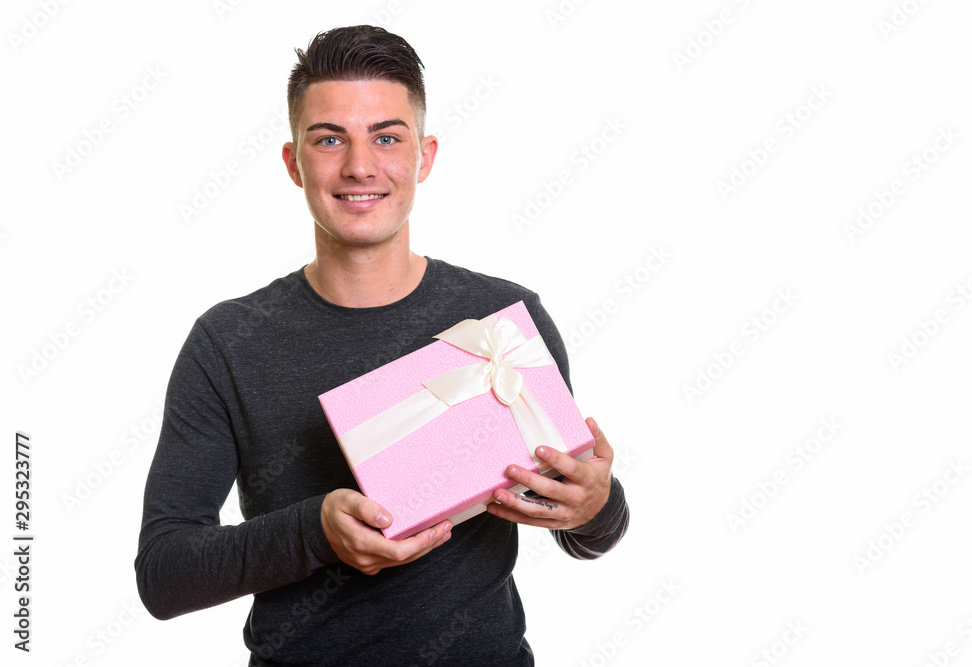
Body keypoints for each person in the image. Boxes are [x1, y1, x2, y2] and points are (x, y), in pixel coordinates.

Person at [135, 25, 629, 666]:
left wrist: (597, 506)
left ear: (424, 157)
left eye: (387, 137)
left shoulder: (504, 324)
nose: (360, 166)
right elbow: (165, 575)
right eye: (329, 139)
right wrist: (314, 532)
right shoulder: (227, 341)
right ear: (294, 163)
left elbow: (582, 528)